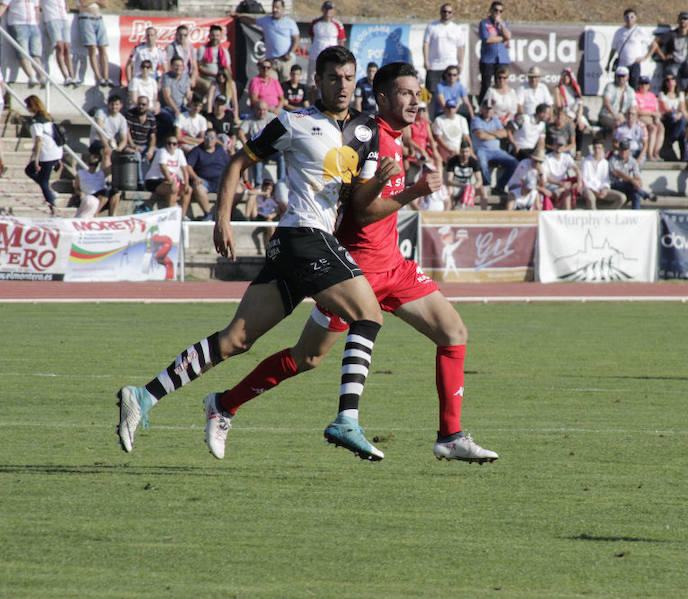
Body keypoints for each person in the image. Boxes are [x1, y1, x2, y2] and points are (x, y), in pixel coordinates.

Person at [198, 61, 497, 464]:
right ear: (382, 98)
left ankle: (451, 435)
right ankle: (225, 404)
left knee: (453, 332)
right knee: (307, 357)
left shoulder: (392, 138)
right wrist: (414, 191)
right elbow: (362, 210)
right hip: (355, 271)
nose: (415, 102)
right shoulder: (368, 136)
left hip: (394, 266)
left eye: (417, 94)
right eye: (406, 94)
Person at [116, 46, 387, 461]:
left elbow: (361, 202)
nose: (343, 86)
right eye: (334, 78)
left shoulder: (367, 130)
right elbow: (238, 162)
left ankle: (144, 396)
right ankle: (347, 419)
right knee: (368, 315)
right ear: (318, 81)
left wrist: (388, 185)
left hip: (299, 246)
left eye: (349, 78)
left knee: (235, 340)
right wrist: (222, 219)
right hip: (304, 236)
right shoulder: (294, 122)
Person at [24, 95, 62, 215]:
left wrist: (36, 159)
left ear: (32, 106)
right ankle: (49, 193)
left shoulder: (36, 122)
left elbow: (39, 140)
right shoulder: (47, 117)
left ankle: (53, 205)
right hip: (55, 151)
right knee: (30, 171)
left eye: (27, 106)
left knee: (43, 181)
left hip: (47, 154)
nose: (26, 108)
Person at [471, 101, 517, 194]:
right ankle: (486, 186)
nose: (488, 111)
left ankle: (500, 187)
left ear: (493, 110)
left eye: (490, 109)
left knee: (514, 163)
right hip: (482, 150)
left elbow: (504, 134)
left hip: (497, 151)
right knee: (482, 162)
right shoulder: (476, 119)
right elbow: (480, 135)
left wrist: (487, 132)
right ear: (482, 109)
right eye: (486, 108)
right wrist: (496, 134)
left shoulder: (496, 120)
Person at [606, 7, 656, 90]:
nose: (629, 19)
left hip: (634, 64)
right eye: (627, 17)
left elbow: (654, 45)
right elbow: (613, 49)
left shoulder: (640, 30)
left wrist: (645, 57)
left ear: (636, 18)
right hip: (622, 63)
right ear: (624, 18)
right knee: (619, 86)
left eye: (632, 17)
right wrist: (609, 63)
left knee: (634, 87)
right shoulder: (619, 32)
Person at [145, 134, 192, 215]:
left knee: (188, 190)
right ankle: (170, 215)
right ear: (165, 144)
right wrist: (171, 181)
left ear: (177, 145)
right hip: (154, 180)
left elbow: (185, 170)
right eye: (169, 143)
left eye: (174, 144)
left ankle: (183, 216)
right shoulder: (162, 151)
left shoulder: (179, 152)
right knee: (173, 188)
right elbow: (163, 168)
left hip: (169, 180)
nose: (171, 146)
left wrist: (187, 184)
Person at [187, 128, 228, 220]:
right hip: (204, 180)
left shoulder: (220, 150)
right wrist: (195, 177)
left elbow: (229, 165)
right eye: (207, 137)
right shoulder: (197, 150)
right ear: (204, 138)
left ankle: (223, 213)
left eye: (212, 137)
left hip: (220, 181)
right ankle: (208, 214)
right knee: (198, 187)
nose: (209, 140)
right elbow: (188, 167)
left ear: (216, 139)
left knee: (238, 189)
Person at [423, 3, 465, 94]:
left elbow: (460, 47)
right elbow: (426, 44)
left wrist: (461, 62)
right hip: (434, 66)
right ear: (440, 12)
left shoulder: (457, 28)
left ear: (452, 13)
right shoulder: (432, 26)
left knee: (451, 93)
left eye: (449, 12)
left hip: (451, 65)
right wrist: (426, 60)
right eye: (444, 11)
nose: (447, 14)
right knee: (431, 93)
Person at [0, 0, 43, 87]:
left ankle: (42, 77)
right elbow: (3, 6)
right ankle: (31, 77)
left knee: (36, 53)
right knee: (22, 52)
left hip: (33, 24)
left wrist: (36, 22)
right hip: (18, 24)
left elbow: (37, 8)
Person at [304, 1, 346, 88]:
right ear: (322, 9)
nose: (328, 12)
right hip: (315, 56)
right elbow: (312, 37)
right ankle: (313, 96)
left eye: (330, 9)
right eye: (326, 9)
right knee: (313, 80)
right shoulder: (315, 23)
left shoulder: (338, 24)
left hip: (331, 57)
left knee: (331, 78)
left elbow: (341, 42)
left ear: (333, 11)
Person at [477, 1, 511, 104]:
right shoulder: (484, 23)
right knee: (486, 85)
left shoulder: (504, 24)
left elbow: (508, 36)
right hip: (488, 59)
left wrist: (501, 25)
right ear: (491, 10)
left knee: (501, 83)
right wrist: (502, 38)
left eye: (500, 11)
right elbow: (487, 39)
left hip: (502, 58)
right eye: (496, 10)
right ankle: (482, 106)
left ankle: (499, 104)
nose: (498, 13)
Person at [659, 11, 688, 91]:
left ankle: (687, 91)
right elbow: (655, 43)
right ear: (678, 21)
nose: (683, 21)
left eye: (685, 19)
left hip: (686, 63)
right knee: (671, 78)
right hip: (673, 62)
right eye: (681, 19)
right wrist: (663, 57)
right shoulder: (672, 34)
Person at [580, 139, 626, 209]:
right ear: (592, 149)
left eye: (599, 148)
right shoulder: (585, 161)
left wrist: (605, 188)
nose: (597, 150)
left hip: (601, 189)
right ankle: (594, 215)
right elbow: (584, 181)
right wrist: (595, 192)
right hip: (589, 189)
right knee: (591, 198)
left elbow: (606, 180)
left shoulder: (605, 163)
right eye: (595, 148)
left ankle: (608, 214)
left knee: (622, 197)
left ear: (603, 149)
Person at [238, 101, 276, 186]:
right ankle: (258, 183)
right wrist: (247, 145)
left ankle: (281, 181)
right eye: (259, 110)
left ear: (267, 109)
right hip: (257, 149)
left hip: (271, 149)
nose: (262, 112)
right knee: (257, 156)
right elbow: (240, 132)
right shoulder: (250, 118)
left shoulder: (272, 118)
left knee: (281, 156)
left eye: (264, 110)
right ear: (255, 110)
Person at [124, 95, 157, 189]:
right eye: (139, 104)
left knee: (158, 154)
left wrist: (151, 149)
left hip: (145, 145)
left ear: (147, 106)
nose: (141, 106)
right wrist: (133, 145)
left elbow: (153, 136)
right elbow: (126, 132)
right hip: (131, 144)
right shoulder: (130, 114)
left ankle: (153, 182)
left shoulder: (151, 118)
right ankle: (141, 183)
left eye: (143, 104)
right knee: (137, 155)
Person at [73, 151, 119, 218]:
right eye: (91, 164)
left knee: (115, 191)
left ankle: (112, 216)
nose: (93, 167)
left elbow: (111, 164)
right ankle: (94, 214)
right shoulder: (81, 173)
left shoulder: (101, 173)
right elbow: (76, 188)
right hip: (91, 195)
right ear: (88, 164)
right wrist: (80, 193)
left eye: (95, 165)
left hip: (103, 195)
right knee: (104, 193)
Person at [76, 0, 112, 86]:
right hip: (86, 19)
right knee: (92, 48)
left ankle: (106, 77)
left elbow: (105, 4)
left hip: (98, 18)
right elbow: (83, 3)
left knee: (102, 48)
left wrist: (92, 1)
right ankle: (99, 77)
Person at [42, 0, 76, 86]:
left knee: (67, 47)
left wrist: (66, 4)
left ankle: (72, 76)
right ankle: (66, 76)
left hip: (63, 17)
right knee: (59, 47)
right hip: (52, 17)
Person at [444, 140, 487, 209]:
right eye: (462, 152)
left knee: (483, 190)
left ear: (470, 151)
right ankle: (449, 210)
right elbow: (449, 180)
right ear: (459, 151)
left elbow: (480, 180)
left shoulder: (473, 162)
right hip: (456, 187)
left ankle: (485, 213)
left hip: (468, 187)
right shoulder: (453, 161)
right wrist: (463, 186)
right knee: (449, 190)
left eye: (467, 152)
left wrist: (473, 187)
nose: (464, 154)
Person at [609, 141, 652, 209]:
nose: (623, 152)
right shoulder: (613, 159)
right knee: (632, 185)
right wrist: (632, 181)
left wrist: (639, 183)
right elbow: (617, 172)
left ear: (629, 151)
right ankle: (645, 195)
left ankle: (636, 213)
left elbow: (637, 176)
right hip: (616, 185)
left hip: (630, 187)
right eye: (621, 150)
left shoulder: (633, 161)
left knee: (636, 192)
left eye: (625, 150)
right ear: (619, 150)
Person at [541, 135, 580, 210]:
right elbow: (547, 178)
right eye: (557, 145)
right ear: (553, 146)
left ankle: (566, 211)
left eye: (561, 145)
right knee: (567, 190)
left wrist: (579, 182)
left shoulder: (566, 157)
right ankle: (567, 212)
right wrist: (560, 184)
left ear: (564, 146)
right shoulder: (546, 158)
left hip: (563, 185)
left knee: (570, 188)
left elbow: (577, 169)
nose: (559, 147)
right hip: (551, 185)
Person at [158, 56, 193, 139]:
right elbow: (167, 97)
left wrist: (191, 101)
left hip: (181, 107)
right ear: (171, 66)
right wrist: (176, 111)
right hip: (168, 107)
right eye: (176, 65)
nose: (178, 68)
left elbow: (188, 92)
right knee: (170, 120)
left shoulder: (185, 77)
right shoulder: (166, 77)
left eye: (181, 66)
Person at [90, 94, 131, 159]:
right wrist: (107, 146)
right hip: (98, 141)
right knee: (107, 153)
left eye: (117, 104)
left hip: (111, 143)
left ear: (121, 105)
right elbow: (99, 131)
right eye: (112, 104)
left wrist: (118, 150)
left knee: (129, 151)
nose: (114, 107)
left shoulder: (122, 119)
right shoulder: (101, 112)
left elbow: (124, 140)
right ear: (108, 104)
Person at [195, 23, 231, 97]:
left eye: (217, 36)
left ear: (221, 37)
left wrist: (227, 78)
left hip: (221, 79)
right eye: (213, 35)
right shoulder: (203, 49)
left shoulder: (224, 51)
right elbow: (199, 67)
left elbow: (228, 68)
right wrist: (214, 75)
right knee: (209, 87)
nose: (215, 38)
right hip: (207, 79)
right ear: (209, 36)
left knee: (233, 85)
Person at [658, 73, 688, 160]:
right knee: (681, 127)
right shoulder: (662, 94)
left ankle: (670, 142)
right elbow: (664, 108)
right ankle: (672, 142)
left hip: (677, 118)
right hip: (668, 118)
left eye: (672, 79)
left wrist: (678, 113)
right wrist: (675, 111)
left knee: (682, 128)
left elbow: (681, 107)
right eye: (667, 80)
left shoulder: (680, 94)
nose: (670, 82)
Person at [598, 66, 636, 132]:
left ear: (627, 77)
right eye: (619, 76)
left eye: (623, 76)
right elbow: (606, 102)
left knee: (634, 125)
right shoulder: (610, 86)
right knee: (618, 124)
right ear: (615, 76)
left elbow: (634, 106)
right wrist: (615, 115)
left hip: (623, 116)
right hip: (607, 115)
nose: (621, 79)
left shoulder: (630, 90)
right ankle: (616, 139)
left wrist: (631, 118)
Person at [634, 75, 663, 161]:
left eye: (646, 84)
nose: (643, 86)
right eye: (641, 83)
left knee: (661, 128)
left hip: (652, 117)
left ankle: (656, 152)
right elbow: (637, 111)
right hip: (641, 117)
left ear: (649, 85)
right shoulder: (636, 95)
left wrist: (656, 117)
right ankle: (650, 154)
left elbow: (657, 110)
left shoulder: (652, 96)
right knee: (652, 128)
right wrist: (651, 113)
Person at [432, 98, 470, 163]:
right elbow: (438, 139)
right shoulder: (439, 120)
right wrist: (449, 151)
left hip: (460, 150)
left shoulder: (462, 119)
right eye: (448, 108)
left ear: (456, 109)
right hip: (446, 150)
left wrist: (470, 151)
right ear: (445, 108)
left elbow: (466, 137)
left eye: (453, 107)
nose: (451, 110)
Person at [554, 68, 588, 140]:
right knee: (569, 125)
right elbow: (559, 107)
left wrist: (578, 118)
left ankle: (578, 146)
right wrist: (568, 119)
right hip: (564, 114)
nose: (566, 78)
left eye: (568, 76)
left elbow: (580, 106)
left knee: (580, 125)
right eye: (564, 76)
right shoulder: (558, 88)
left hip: (576, 114)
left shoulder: (576, 88)